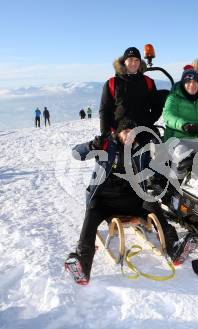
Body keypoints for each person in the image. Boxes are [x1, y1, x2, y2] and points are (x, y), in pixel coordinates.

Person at [64, 47, 183, 285]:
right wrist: (95, 141)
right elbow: (78, 151)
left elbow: (154, 170)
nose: (133, 62)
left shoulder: (140, 147)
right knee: (91, 215)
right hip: (105, 200)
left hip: (133, 198)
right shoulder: (111, 89)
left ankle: (174, 246)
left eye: (137, 59)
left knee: (152, 202)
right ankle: (82, 261)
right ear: (124, 61)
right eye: (130, 59)